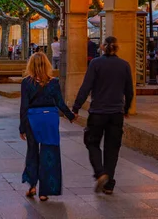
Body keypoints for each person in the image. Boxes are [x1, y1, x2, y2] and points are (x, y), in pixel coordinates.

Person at [73, 36, 133, 195]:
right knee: (112, 148)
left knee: (92, 143)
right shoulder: (124, 65)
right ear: (117, 48)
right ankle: (109, 184)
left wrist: (76, 106)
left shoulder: (95, 64)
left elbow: (86, 86)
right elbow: (129, 91)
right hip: (116, 113)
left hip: (98, 112)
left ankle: (100, 173)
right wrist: (126, 109)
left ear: (102, 46)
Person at [20, 52, 75, 201]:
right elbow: (60, 102)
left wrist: (22, 127)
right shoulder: (54, 82)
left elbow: (24, 105)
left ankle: (32, 185)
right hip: (50, 119)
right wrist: (70, 115)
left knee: (32, 152)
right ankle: (45, 191)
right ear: (47, 65)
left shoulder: (26, 83)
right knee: (49, 153)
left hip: (33, 119)